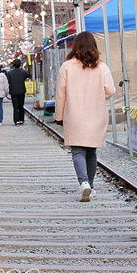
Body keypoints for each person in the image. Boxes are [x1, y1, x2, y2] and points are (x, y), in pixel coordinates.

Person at [55, 32, 115, 202]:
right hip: (96, 113)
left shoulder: (66, 66)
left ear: (75, 46)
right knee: (91, 151)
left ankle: (84, 183)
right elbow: (110, 90)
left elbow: (60, 94)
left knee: (78, 151)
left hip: (74, 114)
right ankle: (90, 186)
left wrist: (59, 116)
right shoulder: (101, 67)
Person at [6, 59, 30, 125]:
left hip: (13, 91)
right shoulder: (23, 72)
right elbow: (26, 78)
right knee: (21, 105)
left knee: (15, 106)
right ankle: (21, 119)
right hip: (22, 90)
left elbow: (8, 82)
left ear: (13, 65)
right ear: (20, 65)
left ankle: (16, 120)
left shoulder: (10, 73)